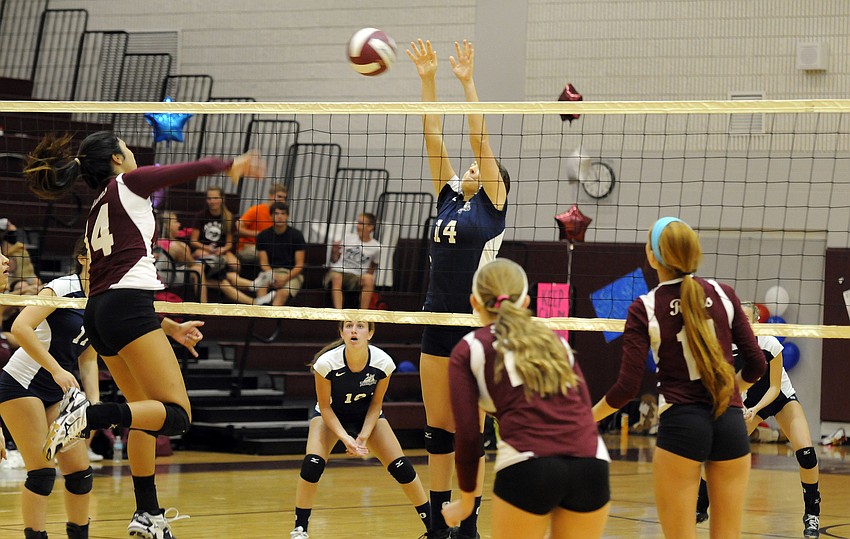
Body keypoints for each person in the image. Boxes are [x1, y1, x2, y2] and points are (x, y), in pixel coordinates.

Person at [24, 131, 265, 539]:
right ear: (117, 159)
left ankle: (147, 513)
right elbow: (179, 171)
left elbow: (115, 279)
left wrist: (166, 325)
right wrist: (230, 165)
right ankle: (89, 416)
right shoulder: (127, 184)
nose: (135, 155)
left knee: (145, 415)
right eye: (128, 149)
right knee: (177, 416)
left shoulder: (96, 208)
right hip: (127, 309)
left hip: (100, 313)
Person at [590, 217, 767, 539]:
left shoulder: (645, 307)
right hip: (729, 421)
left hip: (682, 425)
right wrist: (731, 391)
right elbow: (757, 365)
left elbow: (627, 387)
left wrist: (588, 419)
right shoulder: (724, 294)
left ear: (653, 257)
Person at [407, 38, 510, 539]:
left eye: (479, 170)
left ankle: (467, 521)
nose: (470, 169)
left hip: (474, 327)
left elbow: (478, 140)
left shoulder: (492, 203)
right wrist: (428, 80)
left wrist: (467, 82)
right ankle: (438, 522)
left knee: (470, 430)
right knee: (437, 430)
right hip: (435, 319)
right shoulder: (448, 196)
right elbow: (433, 134)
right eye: (468, 170)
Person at [444, 259, 610, 539]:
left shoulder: (469, 348)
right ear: (525, 302)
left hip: (529, 465)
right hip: (590, 463)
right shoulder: (554, 341)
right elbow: (583, 409)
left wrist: (468, 500)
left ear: (474, 301)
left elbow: (469, 436)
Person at [290, 320, 431, 539]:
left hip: (366, 416)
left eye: (361, 326)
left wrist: (363, 437)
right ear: (341, 332)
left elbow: (376, 405)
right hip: (332, 416)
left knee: (401, 467)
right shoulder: (326, 363)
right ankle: (300, 529)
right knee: (312, 465)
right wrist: (345, 438)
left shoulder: (383, 362)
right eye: (348, 325)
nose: (354, 330)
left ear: (370, 333)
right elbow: (325, 408)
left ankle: (434, 528)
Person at [695, 301, 821, 538]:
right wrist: (741, 407)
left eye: (746, 318)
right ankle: (701, 505)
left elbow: (774, 387)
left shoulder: (769, 344)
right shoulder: (727, 347)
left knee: (806, 454)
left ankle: (812, 514)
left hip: (779, 399)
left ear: (756, 321)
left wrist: (755, 409)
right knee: (718, 453)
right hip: (749, 404)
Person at [0, 237, 98, 539]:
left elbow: (88, 354)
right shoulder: (62, 287)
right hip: (21, 383)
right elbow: (20, 327)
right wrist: (56, 369)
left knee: (81, 475)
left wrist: (93, 403)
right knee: (42, 474)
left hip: (58, 392)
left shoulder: (103, 298)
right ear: (83, 259)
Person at [324, 212, 381, 310]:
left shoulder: (376, 247)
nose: (357, 226)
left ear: (370, 227)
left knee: (369, 279)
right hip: (338, 271)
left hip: (356, 277)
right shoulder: (348, 238)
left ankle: (362, 314)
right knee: (337, 278)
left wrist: (366, 278)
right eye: (358, 223)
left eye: (361, 223)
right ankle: (339, 313)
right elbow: (334, 260)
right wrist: (335, 250)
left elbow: (372, 267)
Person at [254, 202, 306, 307]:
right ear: (271, 216)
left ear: (287, 216)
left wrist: (285, 278)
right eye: (276, 213)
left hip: (291, 274)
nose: (280, 216)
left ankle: (271, 322)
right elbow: (264, 263)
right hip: (269, 272)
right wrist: (273, 276)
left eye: (283, 213)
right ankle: (260, 318)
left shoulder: (297, 235)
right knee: (261, 289)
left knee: (281, 294)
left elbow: (299, 265)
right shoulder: (263, 236)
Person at [156, 210, 207, 302]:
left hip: (165, 273)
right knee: (198, 269)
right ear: (167, 225)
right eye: (175, 221)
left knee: (224, 280)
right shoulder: (175, 246)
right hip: (163, 276)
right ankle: (203, 309)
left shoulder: (157, 242)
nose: (179, 224)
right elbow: (192, 263)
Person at [236, 182, 288, 265]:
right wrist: (259, 234)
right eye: (279, 196)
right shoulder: (257, 210)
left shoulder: (280, 215)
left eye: (284, 198)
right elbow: (237, 228)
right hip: (247, 247)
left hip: (267, 248)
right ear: (271, 196)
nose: (282, 200)